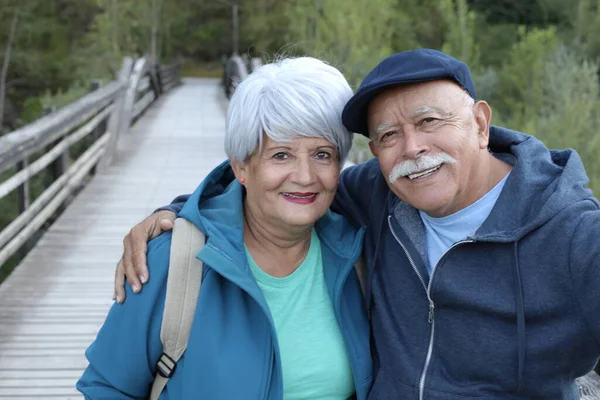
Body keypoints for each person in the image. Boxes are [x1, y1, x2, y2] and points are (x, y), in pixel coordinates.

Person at [115, 49, 600, 399]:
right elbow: (278, 189)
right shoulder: (379, 193)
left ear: (479, 122)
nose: (412, 148)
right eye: (388, 135)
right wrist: (181, 212)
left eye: (430, 121)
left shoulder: (575, 236)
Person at [77, 57, 373, 399]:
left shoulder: (358, 251)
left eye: (322, 154)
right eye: (281, 155)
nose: (305, 177)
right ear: (241, 167)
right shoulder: (171, 261)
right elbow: (107, 388)